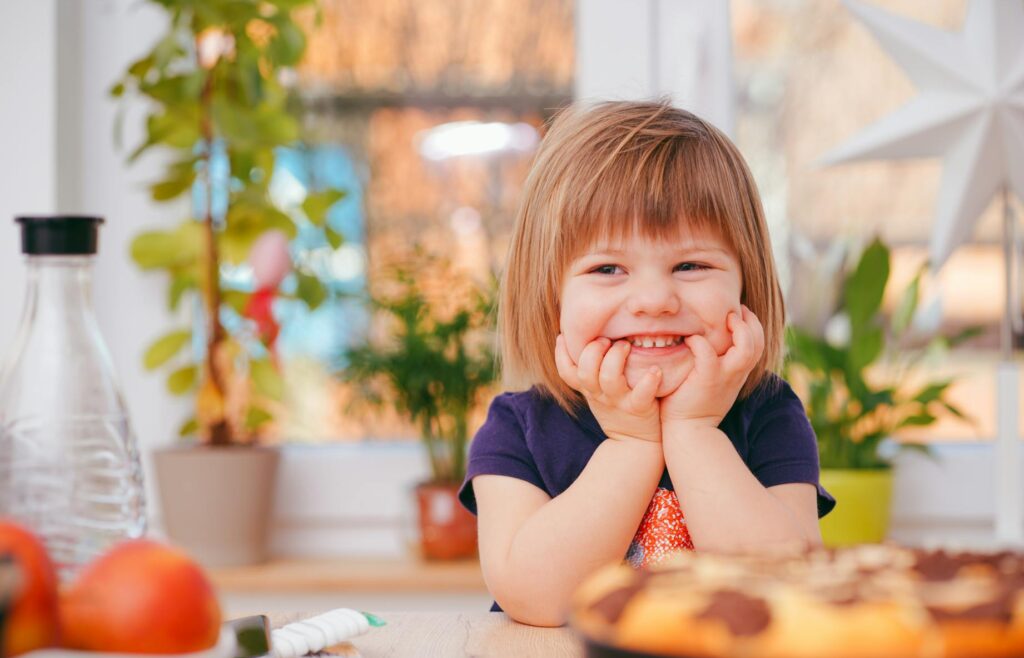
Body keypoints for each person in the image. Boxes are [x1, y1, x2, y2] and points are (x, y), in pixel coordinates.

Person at [457, 100, 835, 627]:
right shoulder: (517, 427)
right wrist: (632, 443)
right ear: (550, 297)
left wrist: (694, 432)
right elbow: (535, 598)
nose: (654, 299)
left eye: (691, 264)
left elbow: (786, 592)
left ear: (746, 286)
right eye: (608, 267)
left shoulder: (769, 413)